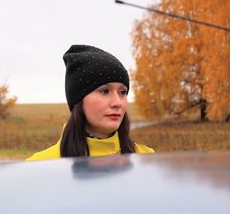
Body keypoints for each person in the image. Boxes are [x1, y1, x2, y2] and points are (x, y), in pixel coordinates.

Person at [26, 45, 154, 161]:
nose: (117, 102)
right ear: (79, 100)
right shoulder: (40, 165)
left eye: (122, 92)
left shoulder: (146, 159)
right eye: (104, 91)